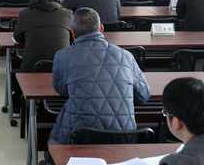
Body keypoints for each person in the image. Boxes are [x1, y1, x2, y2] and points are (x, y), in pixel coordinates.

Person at [49, 8, 150, 145]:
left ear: (73, 33)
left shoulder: (62, 56)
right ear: (101, 28)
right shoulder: (126, 55)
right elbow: (143, 96)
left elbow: (61, 89)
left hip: (79, 136)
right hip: (124, 137)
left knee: (54, 144)